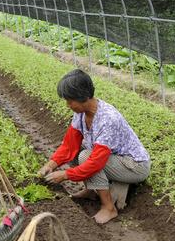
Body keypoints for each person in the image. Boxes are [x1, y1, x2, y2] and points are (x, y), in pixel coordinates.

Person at [38, 69, 151, 224]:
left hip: (134, 165)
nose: (67, 105)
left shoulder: (108, 119)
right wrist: (50, 165)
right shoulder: (81, 114)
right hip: (114, 158)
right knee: (79, 150)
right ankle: (91, 191)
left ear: (83, 97)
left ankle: (109, 208)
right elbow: (69, 146)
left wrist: (65, 175)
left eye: (70, 101)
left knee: (86, 157)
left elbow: (96, 162)